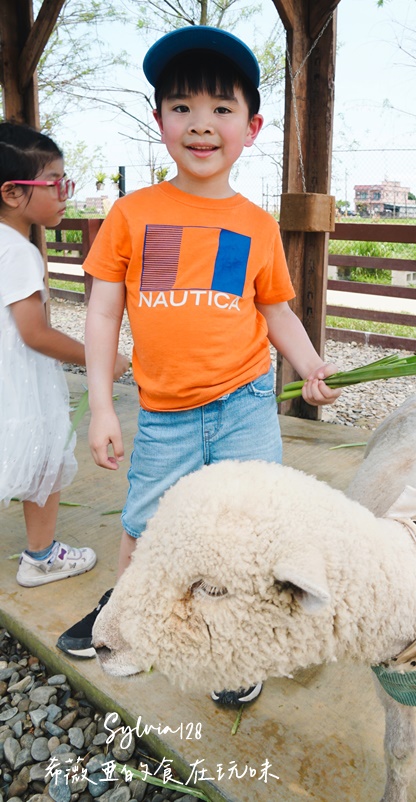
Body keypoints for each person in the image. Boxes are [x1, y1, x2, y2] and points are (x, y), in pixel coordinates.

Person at [58, 27, 341, 711]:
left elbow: (274, 311)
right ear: (159, 122)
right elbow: (101, 315)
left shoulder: (255, 224)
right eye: (182, 107)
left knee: (245, 529)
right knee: (146, 521)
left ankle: (234, 649)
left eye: (221, 109)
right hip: (164, 411)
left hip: (245, 402)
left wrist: (306, 365)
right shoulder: (133, 214)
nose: (201, 124)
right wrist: (100, 406)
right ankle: (123, 626)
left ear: (252, 126)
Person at [0, 123, 131, 588]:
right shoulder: (18, 252)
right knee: (43, 459)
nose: (64, 193)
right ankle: (40, 556)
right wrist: (98, 359)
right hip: (21, 380)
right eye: (55, 183)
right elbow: (34, 333)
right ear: (13, 193)